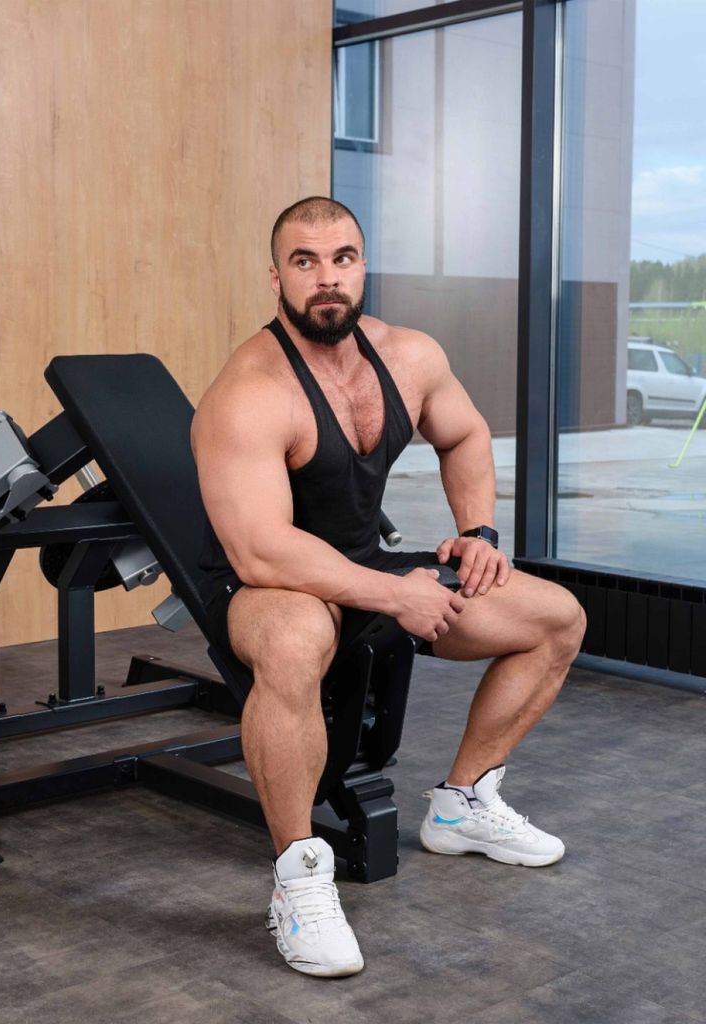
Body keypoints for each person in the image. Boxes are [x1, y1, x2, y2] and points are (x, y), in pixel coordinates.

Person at [190, 196, 586, 978]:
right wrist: (396, 595)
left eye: (342, 258)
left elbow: (465, 434)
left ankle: (462, 804)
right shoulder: (251, 390)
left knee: (556, 619)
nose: (326, 278)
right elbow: (262, 550)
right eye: (304, 261)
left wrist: (478, 533)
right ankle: (300, 876)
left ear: (363, 266)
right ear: (276, 277)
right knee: (298, 638)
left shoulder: (409, 358)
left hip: (365, 564)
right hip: (262, 585)